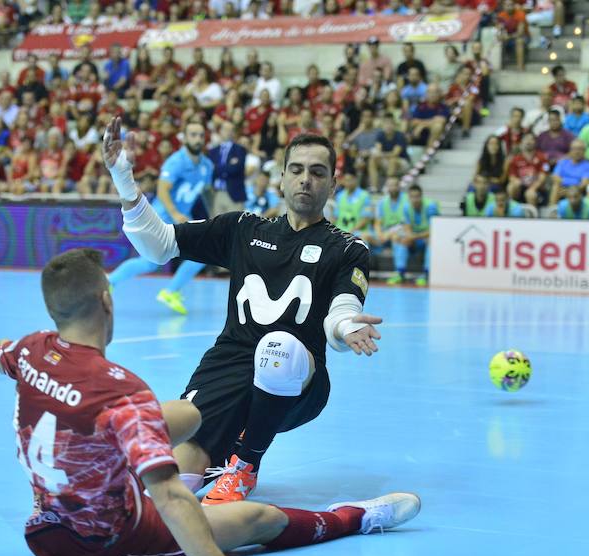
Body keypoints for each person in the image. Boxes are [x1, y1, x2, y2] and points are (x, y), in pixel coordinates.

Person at [0, 248, 421, 556]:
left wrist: (0, 361)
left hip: (44, 531)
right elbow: (169, 497)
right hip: (106, 538)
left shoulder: (30, 350)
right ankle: (358, 517)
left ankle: (192, 459)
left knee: (184, 415)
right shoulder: (119, 391)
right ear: (106, 301)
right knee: (256, 517)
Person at [103, 117, 383, 504]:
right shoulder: (243, 229)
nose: (306, 180)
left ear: (332, 185)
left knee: (278, 346)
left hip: (298, 380)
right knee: (172, 489)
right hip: (229, 364)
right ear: (281, 178)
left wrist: (346, 326)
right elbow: (159, 244)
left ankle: (245, 464)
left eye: (318, 173)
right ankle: (215, 458)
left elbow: (342, 308)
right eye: (297, 170)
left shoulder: (348, 248)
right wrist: (123, 179)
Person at [108, 119, 213, 316]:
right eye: (193, 135)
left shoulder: (207, 165)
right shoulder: (176, 161)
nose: (198, 139)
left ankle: (169, 291)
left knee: (203, 253)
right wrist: (174, 213)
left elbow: (205, 192)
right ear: (184, 138)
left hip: (182, 216)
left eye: (201, 135)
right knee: (151, 262)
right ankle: (111, 282)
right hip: (164, 215)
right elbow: (163, 189)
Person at [391, 184, 438, 287]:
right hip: (416, 238)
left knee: (431, 240)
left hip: (427, 236)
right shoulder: (407, 208)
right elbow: (407, 227)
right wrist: (409, 237)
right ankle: (400, 272)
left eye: (417, 196)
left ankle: (426, 274)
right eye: (412, 197)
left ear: (421, 196)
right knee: (399, 239)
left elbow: (435, 229)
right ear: (409, 197)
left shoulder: (431, 206)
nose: (415, 199)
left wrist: (414, 237)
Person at [208, 120, 248, 217]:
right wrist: (228, 166)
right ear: (220, 131)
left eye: (231, 130)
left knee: (234, 227)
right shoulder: (213, 151)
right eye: (226, 129)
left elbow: (236, 169)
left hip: (234, 194)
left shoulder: (239, 149)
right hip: (217, 193)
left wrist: (217, 167)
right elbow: (210, 170)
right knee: (216, 227)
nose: (228, 132)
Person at [507, 132, 550, 207]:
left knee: (530, 194)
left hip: (537, 189)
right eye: (526, 139)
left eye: (531, 139)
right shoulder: (515, 159)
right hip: (521, 188)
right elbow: (512, 176)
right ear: (521, 142)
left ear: (535, 142)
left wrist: (532, 189)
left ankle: (533, 216)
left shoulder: (542, 157)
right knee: (511, 187)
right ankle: (513, 213)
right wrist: (516, 181)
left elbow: (542, 178)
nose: (528, 141)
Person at [549, 139, 589, 206]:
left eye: (580, 149)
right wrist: (570, 187)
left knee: (573, 193)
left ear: (584, 151)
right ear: (570, 150)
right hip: (562, 189)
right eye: (574, 149)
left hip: (578, 192)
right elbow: (555, 177)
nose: (577, 151)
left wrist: (569, 190)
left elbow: (584, 184)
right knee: (556, 186)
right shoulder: (563, 162)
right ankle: (552, 210)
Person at [332, 168, 372, 240]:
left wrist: (351, 231)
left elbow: (365, 219)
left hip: (358, 231)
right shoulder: (339, 196)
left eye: (350, 180)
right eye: (346, 180)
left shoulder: (364, 195)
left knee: (362, 239)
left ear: (356, 179)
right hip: (340, 229)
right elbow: (335, 217)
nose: (348, 183)